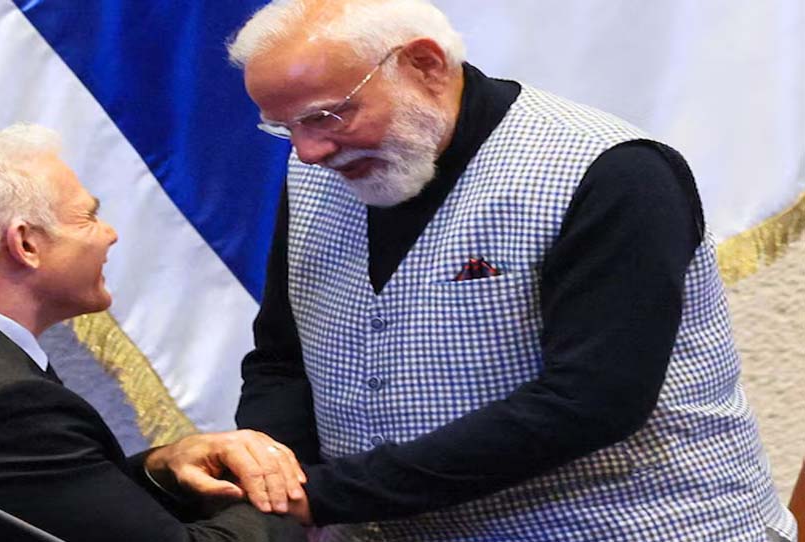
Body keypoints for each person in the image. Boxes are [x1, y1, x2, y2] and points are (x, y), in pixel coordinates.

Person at [220, 1, 798, 540]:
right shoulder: (321, 173)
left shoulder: (613, 171)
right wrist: (271, 473)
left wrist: (326, 495)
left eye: (327, 116)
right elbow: (284, 357)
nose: (309, 151)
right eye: (285, 127)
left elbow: (590, 401)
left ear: (425, 65)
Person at [0, 125, 305, 542]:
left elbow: (49, 501)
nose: (109, 234)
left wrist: (162, 467)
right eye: (88, 217)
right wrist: (272, 491)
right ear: (25, 243)